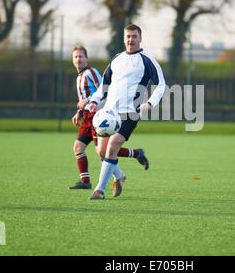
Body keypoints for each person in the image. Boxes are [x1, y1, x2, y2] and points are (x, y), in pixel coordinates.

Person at [87, 24, 166, 200]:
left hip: (130, 112)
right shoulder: (116, 59)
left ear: (140, 38)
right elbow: (104, 85)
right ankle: (119, 176)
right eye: (128, 36)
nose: (131, 39)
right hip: (109, 112)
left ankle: (99, 190)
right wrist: (94, 101)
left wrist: (150, 103)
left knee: (113, 145)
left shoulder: (147, 60)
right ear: (124, 38)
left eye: (134, 36)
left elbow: (162, 84)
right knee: (102, 151)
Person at [69, 46, 150, 190]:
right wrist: (79, 112)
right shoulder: (79, 77)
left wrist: (88, 101)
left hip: (98, 116)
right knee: (78, 147)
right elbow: (83, 100)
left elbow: (103, 88)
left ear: (86, 59)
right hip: (87, 116)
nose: (78, 59)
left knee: (102, 151)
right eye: (76, 57)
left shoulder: (91, 73)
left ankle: (119, 174)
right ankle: (86, 181)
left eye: (81, 56)